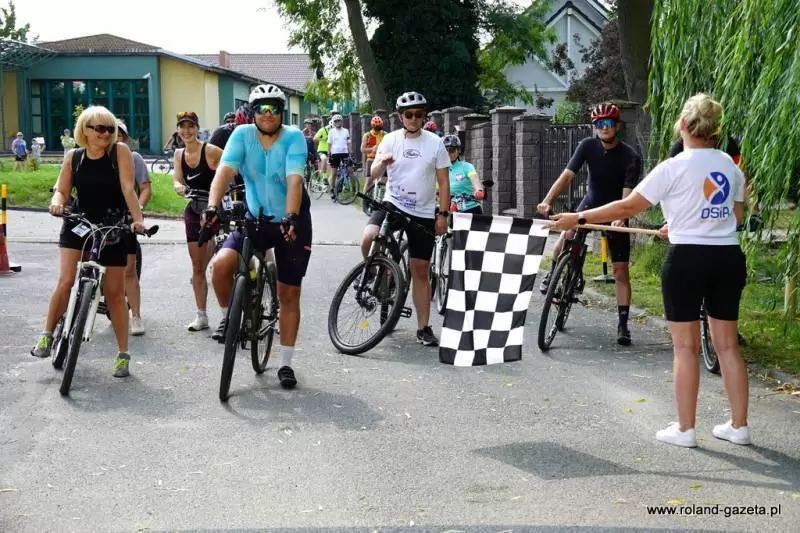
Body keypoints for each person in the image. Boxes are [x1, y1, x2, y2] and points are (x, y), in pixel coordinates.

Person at [549, 93, 751, 448]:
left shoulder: (673, 167)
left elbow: (628, 206)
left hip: (686, 260)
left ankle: (686, 430)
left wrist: (577, 217)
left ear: (683, 125)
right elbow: (734, 217)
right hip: (727, 258)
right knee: (728, 346)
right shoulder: (730, 166)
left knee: (685, 347)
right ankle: (739, 426)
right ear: (714, 129)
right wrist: (683, 222)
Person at [203, 83, 311, 390]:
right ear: (252, 113)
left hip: (291, 220)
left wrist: (290, 216)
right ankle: (231, 319)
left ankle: (285, 363)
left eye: (274, 108)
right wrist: (212, 206)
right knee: (220, 266)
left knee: (289, 293)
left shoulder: (294, 137)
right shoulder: (242, 135)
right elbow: (224, 172)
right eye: (261, 109)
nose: (268, 114)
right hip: (255, 219)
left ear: (281, 112)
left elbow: (294, 180)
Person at [31, 106, 146, 378]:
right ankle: (47, 334)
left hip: (112, 226)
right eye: (99, 128)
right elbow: (61, 190)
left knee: (115, 294)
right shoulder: (74, 157)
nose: (105, 133)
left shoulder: (120, 152)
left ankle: (122, 354)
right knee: (65, 281)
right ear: (84, 130)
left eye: (109, 129)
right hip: (79, 223)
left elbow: (128, 188)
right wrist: (57, 203)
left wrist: (137, 220)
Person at [537, 102, 642, 346]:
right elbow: (567, 176)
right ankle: (554, 273)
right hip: (590, 204)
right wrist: (547, 200)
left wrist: (620, 217)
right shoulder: (587, 145)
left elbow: (627, 196)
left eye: (608, 123)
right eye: (599, 124)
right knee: (566, 234)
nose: (604, 128)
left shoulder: (630, 157)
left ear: (617, 126)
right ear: (594, 127)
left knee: (620, 270)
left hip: (615, 209)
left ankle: (623, 324)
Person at [363, 91, 451, 347]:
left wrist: (443, 215)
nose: (413, 118)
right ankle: (378, 273)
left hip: (423, 211)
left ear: (423, 116)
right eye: (408, 114)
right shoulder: (390, 139)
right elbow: (374, 172)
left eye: (418, 114)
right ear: (400, 117)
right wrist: (381, 163)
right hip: (393, 203)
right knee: (369, 237)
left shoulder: (435, 143)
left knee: (420, 270)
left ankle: (423, 327)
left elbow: (444, 182)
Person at [171, 112, 224, 332]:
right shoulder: (179, 154)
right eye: (182, 127)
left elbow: (232, 166)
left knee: (221, 266)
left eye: (190, 126)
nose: (186, 131)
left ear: (197, 128)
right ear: (178, 130)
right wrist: (179, 187)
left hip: (214, 210)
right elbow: (177, 179)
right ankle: (201, 316)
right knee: (197, 267)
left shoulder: (210, 151)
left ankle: (228, 315)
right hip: (193, 210)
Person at [117, 120, 152, 336]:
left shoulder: (134, 158)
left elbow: (145, 188)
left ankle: (136, 315)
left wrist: (136, 210)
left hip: (126, 218)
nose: (115, 137)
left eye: (120, 134)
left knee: (129, 270)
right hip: (99, 217)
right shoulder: (95, 155)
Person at [443, 134, 485, 214]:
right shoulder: (441, 169)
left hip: (471, 209)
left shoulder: (467, 166)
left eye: (451, 150)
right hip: (451, 210)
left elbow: (474, 179)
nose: (448, 153)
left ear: (458, 150)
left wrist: (478, 190)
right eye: (445, 150)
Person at [326, 114, 352, 198]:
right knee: (334, 173)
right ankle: (333, 189)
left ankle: (353, 190)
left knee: (350, 171)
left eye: (339, 121)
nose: (338, 122)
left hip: (345, 153)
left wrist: (350, 153)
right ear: (334, 122)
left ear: (341, 121)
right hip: (335, 153)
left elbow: (349, 142)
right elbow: (329, 144)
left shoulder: (346, 131)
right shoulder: (331, 131)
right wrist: (329, 154)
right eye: (336, 121)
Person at [361, 115, 385, 185]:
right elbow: (362, 149)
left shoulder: (385, 134)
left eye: (379, 128)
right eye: (376, 128)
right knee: (368, 182)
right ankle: (366, 192)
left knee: (385, 180)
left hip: (382, 160)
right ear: (372, 126)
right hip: (371, 159)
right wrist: (372, 149)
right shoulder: (367, 135)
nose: (377, 130)